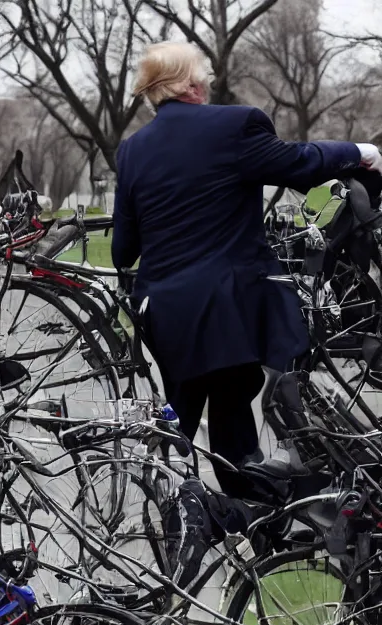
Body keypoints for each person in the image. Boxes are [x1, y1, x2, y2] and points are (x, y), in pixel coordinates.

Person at [112, 41, 382, 499]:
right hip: (225, 307)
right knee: (234, 427)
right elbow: (298, 163)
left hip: (165, 312)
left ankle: (182, 510)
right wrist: (360, 151)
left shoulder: (132, 149)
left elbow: (123, 250)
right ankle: (257, 521)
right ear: (194, 84)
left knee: (183, 420)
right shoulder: (234, 125)